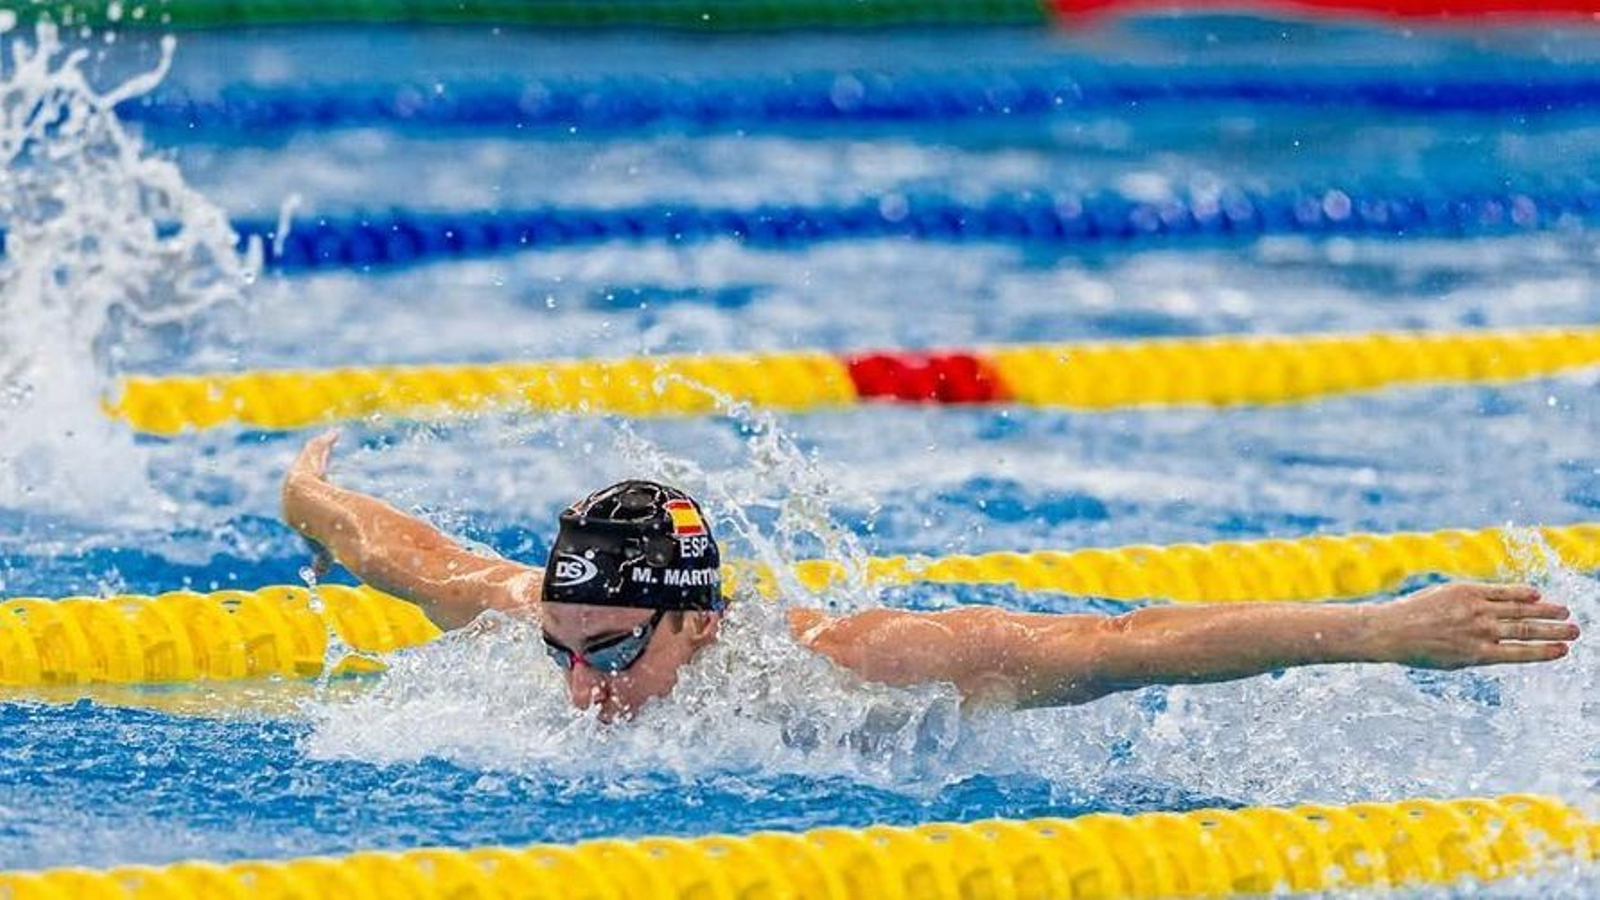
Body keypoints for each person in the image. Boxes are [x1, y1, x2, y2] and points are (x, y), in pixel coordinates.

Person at [282, 431, 1579, 723]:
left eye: (614, 654)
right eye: (564, 651)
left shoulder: (853, 662)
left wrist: (1381, 627)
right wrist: (307, 487)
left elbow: (1128, 640)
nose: (581, 690)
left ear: (702, 620)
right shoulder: (549, 615)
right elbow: (392, 553)